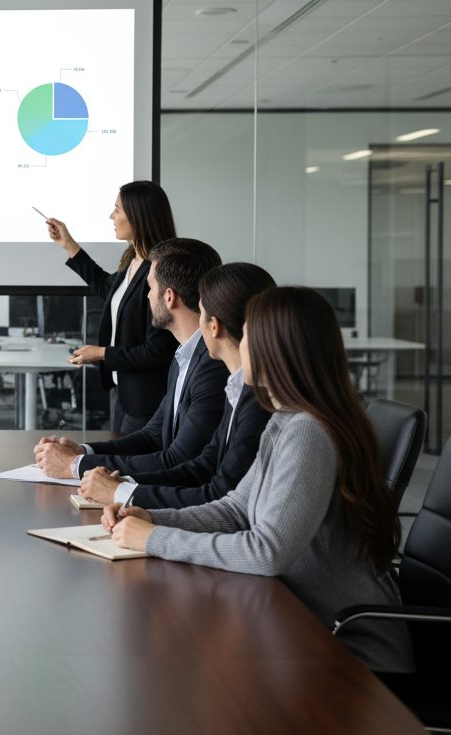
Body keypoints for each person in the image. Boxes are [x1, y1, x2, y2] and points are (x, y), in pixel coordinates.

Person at [102, 287, 413, 675]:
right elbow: (236, 510)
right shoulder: (286, 419)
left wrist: (153, 539)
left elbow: (267, 552)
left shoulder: (308, 432)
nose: (241, 343)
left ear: (274, 348)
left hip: (352, 656)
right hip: (302, 628)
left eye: (247, 334)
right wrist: (153, 518)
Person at [77, 262, 276, 508]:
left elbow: (221, 494)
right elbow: (205, 465)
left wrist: (122, 492)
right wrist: (123, 484)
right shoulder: (234, 385)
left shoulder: (251, 394)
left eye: (201, 313)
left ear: (214, 326)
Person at [35, 238, 227, 480]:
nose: (147, 297)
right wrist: (83, 451)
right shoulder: (184, 356)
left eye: (150, 288)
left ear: (169, 297)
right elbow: (152, 436)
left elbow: (178, 460)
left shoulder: (212, 367)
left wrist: (75, 465)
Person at [45, 181, 178, 435]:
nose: (111, 216)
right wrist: (69, 244)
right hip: (124, 391)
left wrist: (102, 353)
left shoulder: (159, 271)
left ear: (138, 216)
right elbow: (109, 289)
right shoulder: (134, 260)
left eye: (117, 210)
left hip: (146, 399)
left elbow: (156, 352)